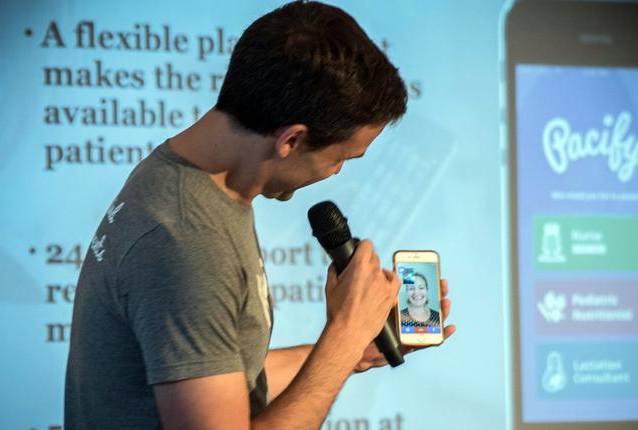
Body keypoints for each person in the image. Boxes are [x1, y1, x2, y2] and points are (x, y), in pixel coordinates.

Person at [64, 1, 455, 429]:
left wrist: (351, 346)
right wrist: (344, 335)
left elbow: (217, 380)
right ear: (291, 140)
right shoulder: (188, 241)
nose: (338, 172)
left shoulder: (193, 182)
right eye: (342, 157)